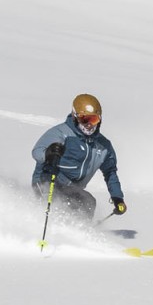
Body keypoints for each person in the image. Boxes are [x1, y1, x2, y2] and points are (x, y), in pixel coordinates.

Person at [32, 93, 126, 223]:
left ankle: (80, 233)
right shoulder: (62, 133)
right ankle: (43, 229)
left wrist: (117, 198)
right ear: (75, 117)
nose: (89, 125)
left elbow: (110, 172)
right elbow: (37, 152)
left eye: (93, 120)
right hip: (48, 180)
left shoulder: (103, 146)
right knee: (56, 206)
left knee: (88, 202)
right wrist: (49, 153)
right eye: (84, 119)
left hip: (72, 188)